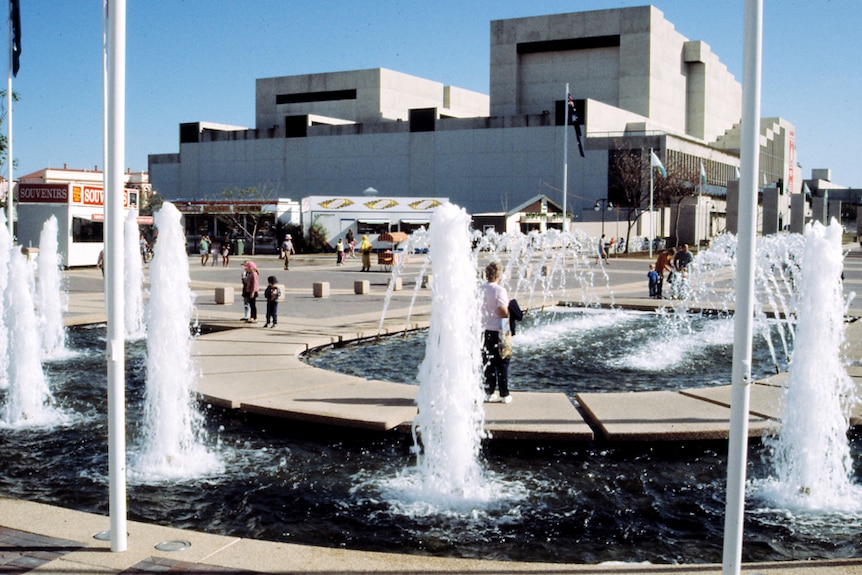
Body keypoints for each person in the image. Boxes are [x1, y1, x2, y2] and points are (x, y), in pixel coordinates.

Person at [480, 261, 512, 404]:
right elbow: (503, 311)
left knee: (489, 361)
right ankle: (504, 394)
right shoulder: (500, 290)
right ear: (499, 274)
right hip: (500, 329)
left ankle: (489, 391)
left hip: (486, 329)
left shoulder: (480, 289)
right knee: (503, 361)